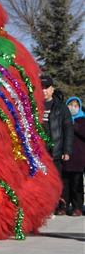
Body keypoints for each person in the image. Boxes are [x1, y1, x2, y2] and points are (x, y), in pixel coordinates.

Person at [41, 75, 74, 215]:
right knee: (42, 180)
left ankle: (59, 205)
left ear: (52, 89)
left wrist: (67, 150)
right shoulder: (34, 106)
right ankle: (45, 207)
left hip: (56, 150)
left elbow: (68, 129)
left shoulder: (61, 107)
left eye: (47, 88)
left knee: (57, 180)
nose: (44, 91)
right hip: (40, 152)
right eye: (41, 88)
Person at [62, 96, 84, 216]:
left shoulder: (82, 120)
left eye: (75, 106)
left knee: (76, 184)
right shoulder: (63, 119)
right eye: (70, 105)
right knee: (65, 184)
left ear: (79, 107)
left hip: (78, 158)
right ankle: (63, 206)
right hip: (65, 156)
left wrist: (75, 126)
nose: (73, 108)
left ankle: (77, 207)